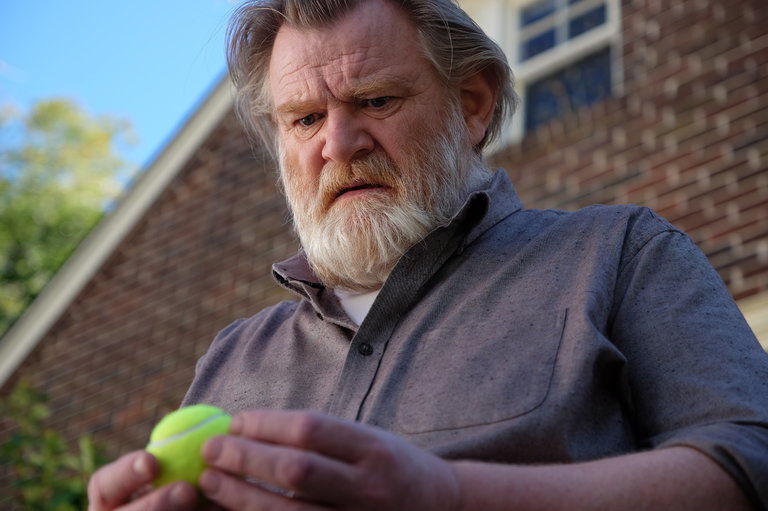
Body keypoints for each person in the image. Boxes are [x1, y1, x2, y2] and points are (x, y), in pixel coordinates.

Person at [88, 0, 768, 509]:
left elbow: (748, 462)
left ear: (471, 106)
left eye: (374, 100)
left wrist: (450, 492)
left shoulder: (619, 252)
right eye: (305, 119)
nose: (338, 143)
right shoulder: (233, 357)